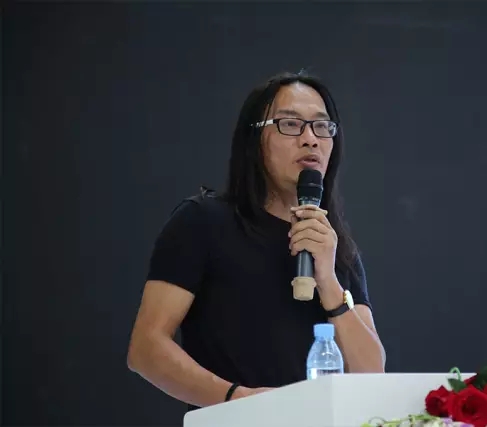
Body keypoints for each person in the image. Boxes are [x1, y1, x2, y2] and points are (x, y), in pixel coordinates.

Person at [126, 70, 386, 410]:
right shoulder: (203, 221)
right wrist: (238, 399)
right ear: (253, 139)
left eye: (322, 126)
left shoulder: (332, 245)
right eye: (290, 124)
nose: (310, 139)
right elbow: (146, 349)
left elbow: (372, 375)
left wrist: (328, 282)